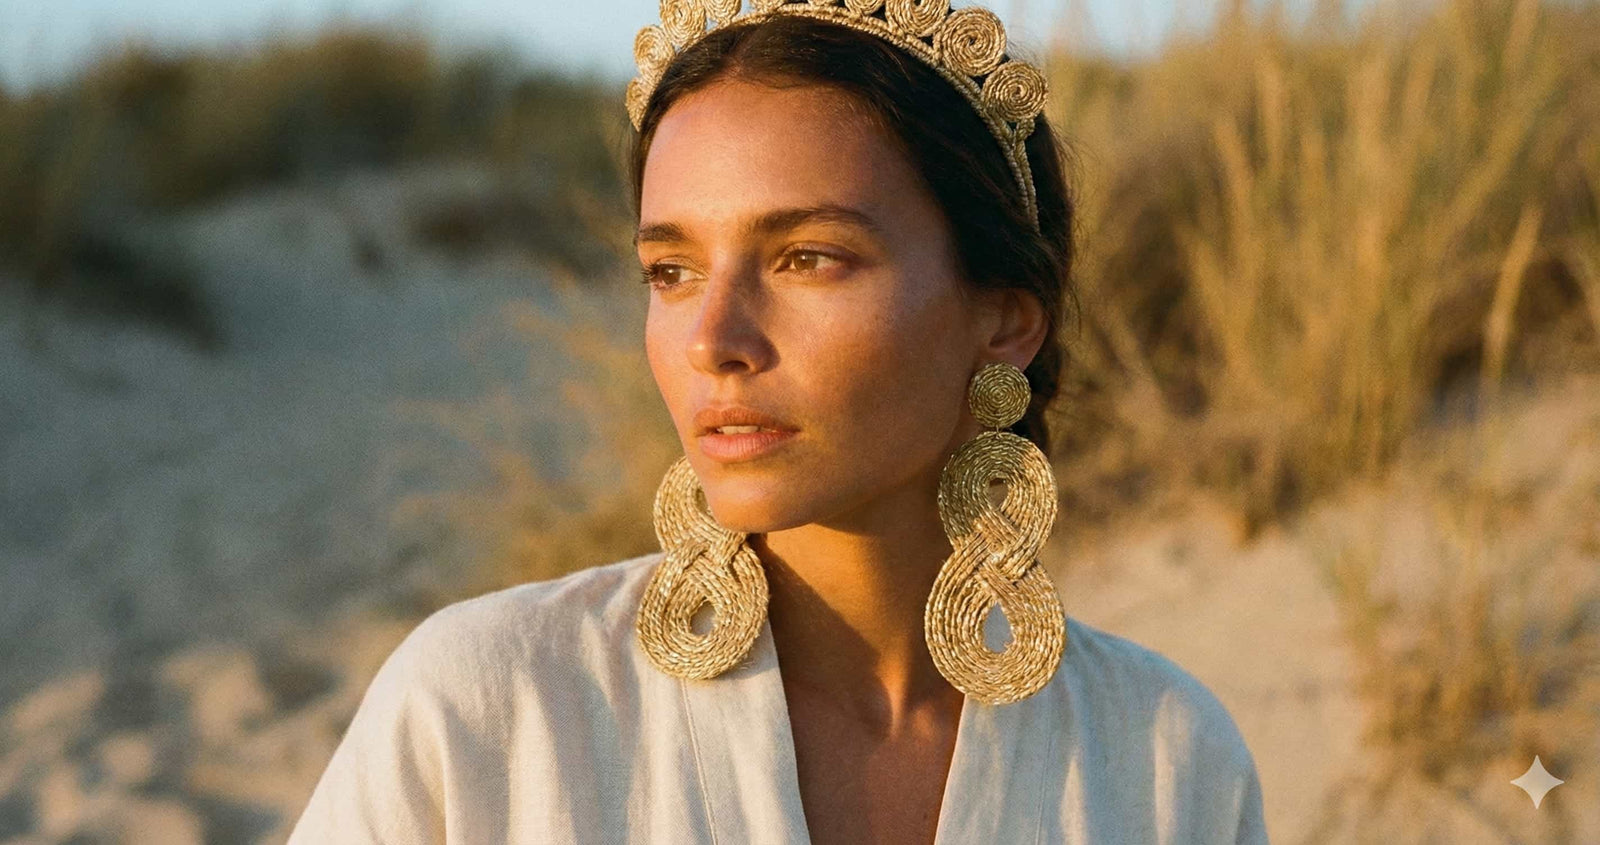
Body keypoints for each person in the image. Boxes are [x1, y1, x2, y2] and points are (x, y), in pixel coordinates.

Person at [287, 1, 1270, 842]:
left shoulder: (1158, 753)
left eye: (808, 257)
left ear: (1002, 320)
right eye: (670, 272)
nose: (714, 337)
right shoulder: (491, 709)